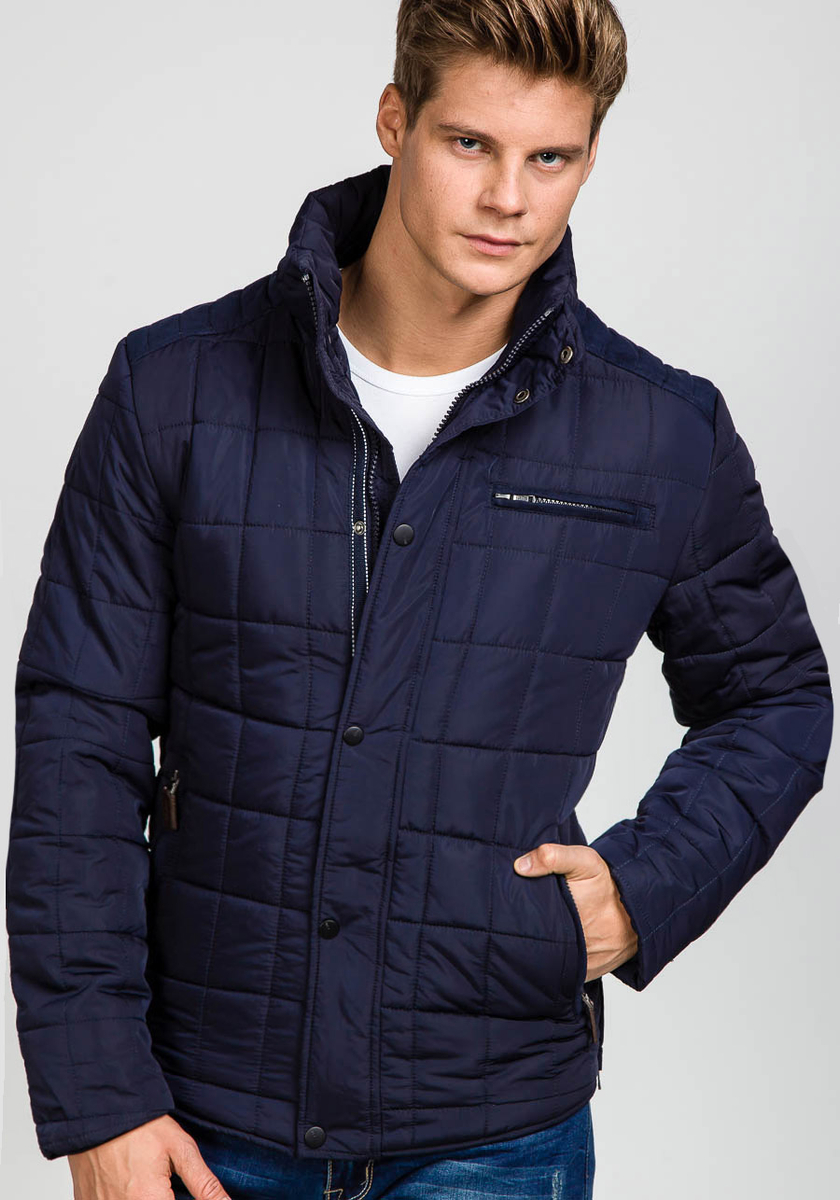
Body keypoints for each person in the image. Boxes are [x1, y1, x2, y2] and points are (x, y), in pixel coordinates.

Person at [6, 1, 833, 1198]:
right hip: (202, 1119)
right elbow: (78, 737)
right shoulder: (176, 389)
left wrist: (643, 891)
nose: (510, 199)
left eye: (551, 158)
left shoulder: (660, 432)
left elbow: (776, 695)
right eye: (471, 144)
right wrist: (100, 1096)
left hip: (492, 1133)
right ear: (396, 121)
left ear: (590, 158)